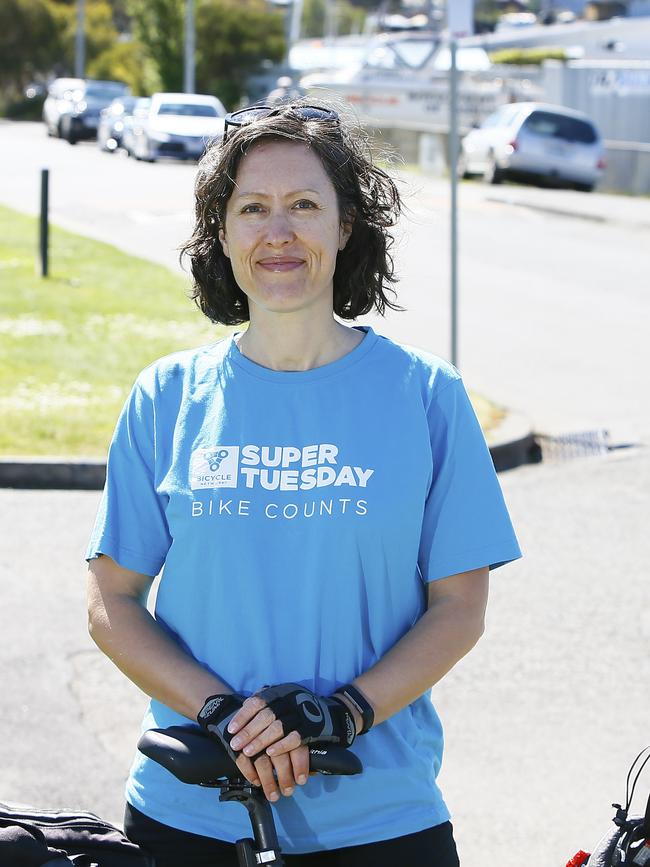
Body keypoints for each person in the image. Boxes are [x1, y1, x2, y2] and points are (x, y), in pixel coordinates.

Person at [86, 101, 522, 867]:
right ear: (222, 232)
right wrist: (221, 712)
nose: (277, 232)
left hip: (380, 818)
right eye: (252, 208)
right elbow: (110, 601)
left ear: (346, 224)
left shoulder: (426, 395)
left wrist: (345, 712)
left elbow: (460, 607)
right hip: (191, 813)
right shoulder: (166, 396)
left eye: (305, 205)